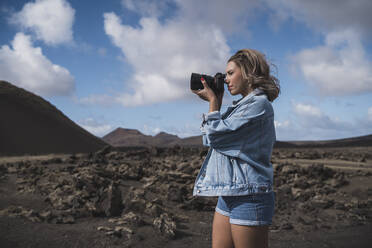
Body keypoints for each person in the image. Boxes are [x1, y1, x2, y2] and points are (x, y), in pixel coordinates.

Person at [191, 49, 280, 248]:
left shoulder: (259, 104)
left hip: (250, 194)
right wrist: (219, 104)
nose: (225, 79)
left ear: (248, 72)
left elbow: (215, 136)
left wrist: (214, 102)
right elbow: (211, 141)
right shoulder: (240, 107)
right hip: (229, 191)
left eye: (230, 73)